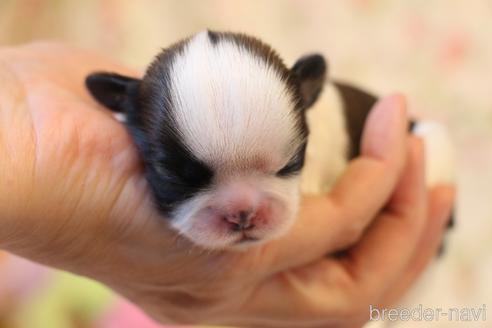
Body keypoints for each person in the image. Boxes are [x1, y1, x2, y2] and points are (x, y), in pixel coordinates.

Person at [0, 42, 454, 327]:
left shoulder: (316, 123)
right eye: (186, 178)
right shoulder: (129, 113)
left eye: (284, 167)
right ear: (124, 109)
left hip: (406, 236)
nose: (242, 211)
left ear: (307, 100)